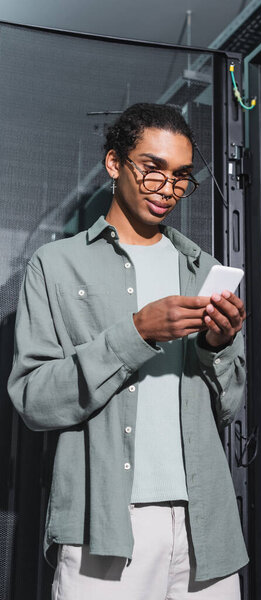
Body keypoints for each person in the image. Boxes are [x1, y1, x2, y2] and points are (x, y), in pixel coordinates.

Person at [8, 103, 248, 600]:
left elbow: (228, 407)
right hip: (105, 527)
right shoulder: (55, 266)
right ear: (114, 163)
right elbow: (33, 401)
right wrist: (136, 333)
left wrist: (214, 348)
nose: (168, 189)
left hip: (207, 529)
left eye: (181, 176)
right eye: (152, 168)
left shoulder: (203, 270)